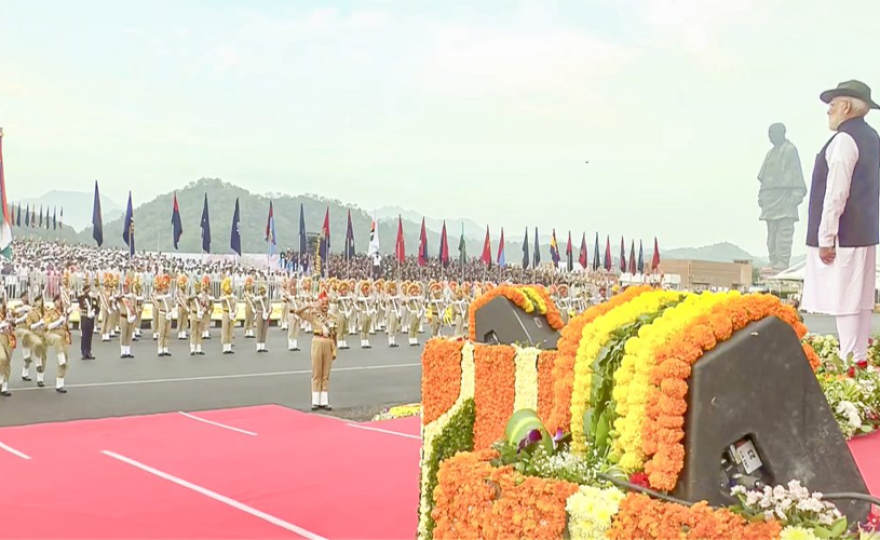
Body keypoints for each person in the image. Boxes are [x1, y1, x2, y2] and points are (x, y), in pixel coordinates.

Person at [802, 80, 880, 367]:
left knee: (846, 299)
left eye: (833, 105)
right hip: (865, 231)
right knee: (860, 300)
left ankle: (849, 362)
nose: (829, 111)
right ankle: (858, 359)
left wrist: (826, 236)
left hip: (844, 234)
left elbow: (836, 192)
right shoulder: (872, 138)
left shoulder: (845, 140)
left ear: (846, 106)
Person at [758, 123, 807, 270]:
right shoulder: (770, 153)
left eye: (772, 133)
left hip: (785, 198)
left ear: (781, 133)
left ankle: (782, 261)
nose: (770, 137)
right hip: (770, 198)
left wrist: (796, 195)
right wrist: (762, 195)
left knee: (784, 233)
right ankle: (773, 259)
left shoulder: (790, 150)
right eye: (769, 134)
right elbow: (764, 178)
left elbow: (796, 173)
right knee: (771, 234)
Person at [295, 290, 337, 410]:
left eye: (326, 303)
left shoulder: (332, 317)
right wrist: (309, 305)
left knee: (326, 374)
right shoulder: (314, 315)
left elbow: (335, 334)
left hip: (328, 343)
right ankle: (315, 400)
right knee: (317, 372)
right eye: (322, 303)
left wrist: (335, 348)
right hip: (317, 341)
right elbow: (297, 312)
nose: (325, 306)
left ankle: (324, 401)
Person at [78, 283, 96, 360]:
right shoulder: (82, 297)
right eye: (87, 289)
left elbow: (96, 306)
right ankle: (84, 352)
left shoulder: (92, 298)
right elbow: (81, 304)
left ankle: (89, 351)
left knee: (89, 335)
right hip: (85, 317)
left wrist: (94, 312)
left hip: (90, 318)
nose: (89, 290)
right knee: (84, 336)